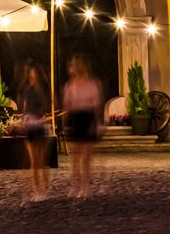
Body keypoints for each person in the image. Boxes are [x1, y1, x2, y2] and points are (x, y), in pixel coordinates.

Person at [61, 56, 105, 199]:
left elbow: (97, 105)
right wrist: (65, 122)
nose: (71, 69)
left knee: (86, 156)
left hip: (87, 118)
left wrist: (98, 122)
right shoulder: (70, 85)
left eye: (73, 66)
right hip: (75, 118)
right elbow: (67, 105)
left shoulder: (93, 83)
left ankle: (85, 187)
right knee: (75, 156)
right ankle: (76, 185)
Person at [18, 60, 52, 202]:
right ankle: (37, 190)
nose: (33, 75)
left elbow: (46, 106)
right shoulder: (27, 89)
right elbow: (25, 108)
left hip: (41, 125)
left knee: (42, 160)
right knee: (34, 160)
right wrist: (24, 117)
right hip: (31, 126)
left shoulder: (43, 89)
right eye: (31, 73)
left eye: (35, 73)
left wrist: (43, 116)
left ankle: (44, 188)